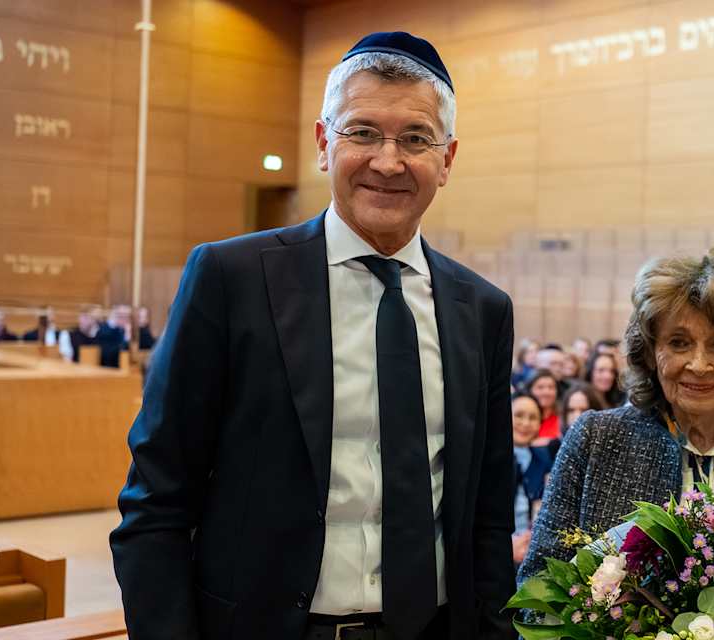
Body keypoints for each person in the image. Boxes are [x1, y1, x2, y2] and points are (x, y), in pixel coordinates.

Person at [111, 32, 516, 640]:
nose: (388, 160)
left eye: (415, 138)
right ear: (324, 144)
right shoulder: (232, 279)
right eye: (362, 132)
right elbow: (156, 498)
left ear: (448, 159)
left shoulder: (482, 310)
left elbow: (486, 513)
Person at [518, 249, 714, 582]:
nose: (698, 365)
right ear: (651, 353)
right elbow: (537, 590)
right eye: (679, 343)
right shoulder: (596, 439)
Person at [511, 392, 551, 567]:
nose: (525, 424)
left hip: (532, 547)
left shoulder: (544, 459)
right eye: (519, 416)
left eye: (533, 418)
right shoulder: (489, 457)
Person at [526, 368, 561, 445]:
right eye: (540, 387)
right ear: (530, 390)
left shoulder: (562, 417)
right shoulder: (523, 418)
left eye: (551, 387)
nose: (546, 392)